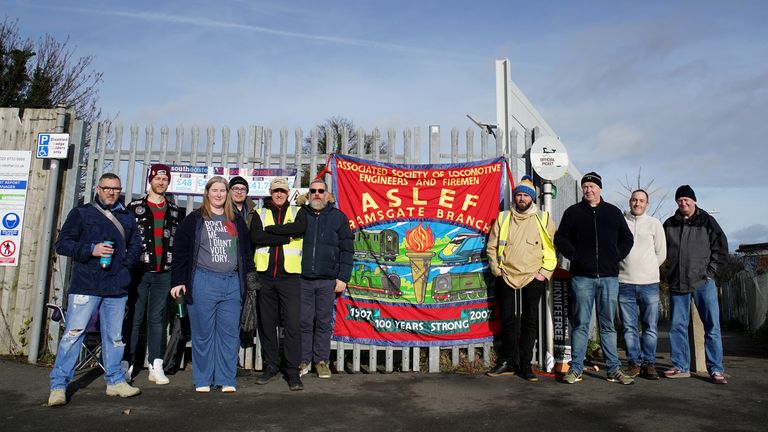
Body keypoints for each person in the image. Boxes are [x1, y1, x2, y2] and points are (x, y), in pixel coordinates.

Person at [48, 173, 143, 406]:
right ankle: (58, 386)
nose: (111, 192)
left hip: (116, 287)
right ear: (98, 188)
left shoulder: (127, 217)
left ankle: (115, 381)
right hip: (86, 285)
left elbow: (136, 246)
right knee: (73, 335)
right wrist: (91, 249)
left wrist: (125, 266)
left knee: (114, 338)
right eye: (107, 188)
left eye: (116, 189)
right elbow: (62, 244)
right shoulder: (81, 213)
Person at [170, 176, 255, 393]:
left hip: (231, 283)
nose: (218, 194)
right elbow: (179, 251)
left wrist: (249, 280)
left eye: (222, 190)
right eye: (214, 190)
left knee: (229, 333)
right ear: (207, 193)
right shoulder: (195, 219)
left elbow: (246, 253)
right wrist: (178, 280)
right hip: (203, 280)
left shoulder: (236, 220)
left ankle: (226, 379)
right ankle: (203, 379)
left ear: (227, 194)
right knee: (203, 333)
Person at [264, 179, 354, 379]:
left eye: (321, 191)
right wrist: (268, 229)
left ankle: (321, 361)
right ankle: (303, 360)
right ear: (308, 194)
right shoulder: (301, 214)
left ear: (327, 194)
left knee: (323, 322)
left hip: (327, 280)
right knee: (303, 322)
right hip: (302, 279)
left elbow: (347, 249)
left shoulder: (338, 218)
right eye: (312, 191)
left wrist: (343, 278)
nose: (317, 194)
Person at [554, 172, 634, 385]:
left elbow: (627, 238)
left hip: (608, 277)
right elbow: (560, 238)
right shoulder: (573, 213)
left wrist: (616, 255)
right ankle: (576, 369)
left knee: (607, 325)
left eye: (592, 186)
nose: (588, 190)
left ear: (600, 188)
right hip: (582, 277)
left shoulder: (613, 213)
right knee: (581, 324)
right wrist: (575, 255)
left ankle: (614, 369)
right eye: (585, 186)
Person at [486, 175, 557, 382]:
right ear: (514, 198)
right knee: (507, 319)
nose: (522, 199)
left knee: (529, 321)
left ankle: (525, 365)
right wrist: (497, 270)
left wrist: (543, 273)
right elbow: (491, 246)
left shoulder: (543, 218)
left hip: (533, 276)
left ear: (532, 198)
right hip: (506, 275)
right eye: (519, 195)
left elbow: (551, 247)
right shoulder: (503, 217)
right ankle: (508, 361)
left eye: (526, 195)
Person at [123, 164, 184, 385]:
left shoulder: (175, 210)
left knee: (157, 319)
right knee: (134, 318)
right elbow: (126, 239)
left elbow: (178, 244)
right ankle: (127, 364)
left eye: (165, 179)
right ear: (150, 180)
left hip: (164, 273)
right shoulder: (134, 207)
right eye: (157, 178)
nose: (161, 182)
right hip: (140, 272)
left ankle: (155, 364)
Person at [663, 185, 729, 384]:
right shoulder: (669, 224)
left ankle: (716, 369)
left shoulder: (708, 221)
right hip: (677, 284)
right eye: (680, 200)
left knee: (712, 327)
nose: (683, 203)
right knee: (677, 327)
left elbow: (721, 248)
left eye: (687, 199)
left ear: (694, 201)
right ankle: (681, 366)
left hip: (703, 283)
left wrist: (711, 273)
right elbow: (659, 250)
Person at [249, 177, 304, 391]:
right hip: (265, 277)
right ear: (270, 193)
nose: (279, 194)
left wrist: (271, 230)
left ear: (288, 192)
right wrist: (284, 236)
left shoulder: (298, 212)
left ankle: (292, 372)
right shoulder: (260, 213)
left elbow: (299, 230)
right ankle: (271, 366)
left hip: (290, 277)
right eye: (275, 191)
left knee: (292, 325)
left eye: (282, 191)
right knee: (267, 325)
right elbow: (256, 237)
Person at [618, 189, 666, 380]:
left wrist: (648, 268)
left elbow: (661, 253)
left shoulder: (655, 224)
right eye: (634, 200)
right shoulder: (621, 223)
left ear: (647, 204)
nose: (637, 203)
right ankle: (634, 363)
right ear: (630, 202)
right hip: (624, 283)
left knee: (650, 327)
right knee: (629, 327)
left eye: (641, 201)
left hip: (649, 284)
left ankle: (649, 363)